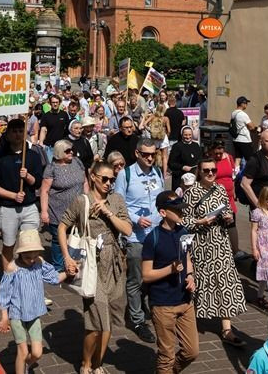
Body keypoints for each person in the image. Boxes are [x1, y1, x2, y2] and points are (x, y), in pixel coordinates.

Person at [59, 160, 133, 374]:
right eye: (105, 179)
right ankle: (86, 363)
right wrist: (67, 258)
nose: (109, 183)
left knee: (108, 319)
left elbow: (127, 230)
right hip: (92, 263)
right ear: (93, 177)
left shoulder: (116, 200)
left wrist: (108, 213)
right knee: (96, 321)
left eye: (112, 179)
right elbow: (63, 228)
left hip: (115, 264)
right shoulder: (81, 201)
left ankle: (98, 363)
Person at [181, 155, 248, 347]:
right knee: (202, 283)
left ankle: (227, 329)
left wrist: (227, 217)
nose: (211, 173)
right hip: (201, 245)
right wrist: (200, 221)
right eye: (206, 171)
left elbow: (226, 211)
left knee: (226, 282)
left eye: (213, 170)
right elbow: (183, 222)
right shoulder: (191, 193)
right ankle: (189, 322)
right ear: (199, 172)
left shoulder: (220, 189)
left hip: (220, 243)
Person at [113, 140, 165, 344]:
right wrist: (135, 219)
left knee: (152, 276)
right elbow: (118, 204)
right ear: (137, 153)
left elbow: (160, 199)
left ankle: (148, 307)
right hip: (135, 236)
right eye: (146, 155)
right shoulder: (125, 174)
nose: (150, 158)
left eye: (153, 154)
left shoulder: (158, 172)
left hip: (157, 233)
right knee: (136, 278)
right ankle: (136, 320)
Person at [142, 191, 199, 374]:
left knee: (192, 352)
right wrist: (170, 270)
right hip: (163, 304)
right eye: (176, 209)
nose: (181, 212)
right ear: (163, 212)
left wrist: (190, 276)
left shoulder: (183, 232)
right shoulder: (153, 238)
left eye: (181, 208)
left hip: (185, 300)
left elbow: (187, 257)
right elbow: (146, 275)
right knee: (167, 355)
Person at [0, 229, 67, 374]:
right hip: (17, 314)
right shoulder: (12, 268)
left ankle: (24, 365)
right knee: (22, 352)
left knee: (37, 353)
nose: (31, 260)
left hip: (34, 313)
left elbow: (54, 278)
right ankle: (21, 368)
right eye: (27, 256)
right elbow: (4, 294)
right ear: (20, 253)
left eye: (34, 256)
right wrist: (4, 316)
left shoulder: (39, 262)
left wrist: (68, 273)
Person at [0, 118, 45, 268]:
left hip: (29, 207)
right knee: (9, 244)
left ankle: (27, 275)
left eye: (21, 131)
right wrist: (13, 195)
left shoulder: (32, 156)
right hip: (8, 208)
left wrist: (27, 176)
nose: (18, 134)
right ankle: (8, 276)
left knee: (30, 244)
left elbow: (38, 182)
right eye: (14, 131)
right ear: (7, 135)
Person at [40, 139, 86, 271]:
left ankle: (74, 263)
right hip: (58, 210)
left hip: (78, 208)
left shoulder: (77, 162)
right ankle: (59, 266)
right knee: (58, 239)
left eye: (72, 150)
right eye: (67, 151)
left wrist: (89, 198)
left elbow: (85, 182)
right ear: (60, 153)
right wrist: (44, 211)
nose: (71, 152)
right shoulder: (52, 168)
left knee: (76, 236)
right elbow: (44, 190)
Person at [251, 185, 268, 305]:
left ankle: (259, 296)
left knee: (266, 273)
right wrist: (254, 248)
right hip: (262, 246)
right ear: (263, 200)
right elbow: (253, 230)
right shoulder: (257, 213)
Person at [168, 125, 204, 193]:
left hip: (194, 177)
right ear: (182, 135)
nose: (188, 137)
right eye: (185, 135)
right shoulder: (177, 146)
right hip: (180, 178)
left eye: (190, 135)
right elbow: (171, 163)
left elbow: (200, 159)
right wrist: (182, 167)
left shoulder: (196, 145)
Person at [230, 96, 256, 172]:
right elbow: (251, 127)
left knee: (238, 158)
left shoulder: (233, 113)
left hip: (236, 139)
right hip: (244, 140)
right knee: (250, 159)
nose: (247, 105)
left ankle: (235, 174)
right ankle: (250, 176)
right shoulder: (243, 114)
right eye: (246, 103)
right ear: (242, 104)